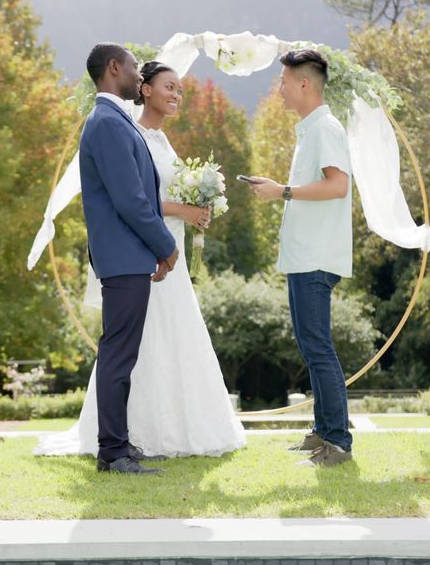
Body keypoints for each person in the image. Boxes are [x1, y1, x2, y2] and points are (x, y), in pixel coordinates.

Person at [35, 52, 245, 466]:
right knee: (119, 356)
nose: (137, 73)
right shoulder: (110, 123)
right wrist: (166, 248)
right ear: (115, 68)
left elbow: (137, 196)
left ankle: (119, 442)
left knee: (123, 354)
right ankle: (112, 451)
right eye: (133, 67)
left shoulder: (114, 122)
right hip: (126, 256)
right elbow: (132, 201)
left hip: (130, 256)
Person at [248, 48, 354, 467]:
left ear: (304, 84)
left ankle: (338, 442)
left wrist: (282, 190)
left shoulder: (326, 128)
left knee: (319, 348)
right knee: (312, 349)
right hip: (303, 257)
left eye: (284, 81)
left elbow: (338, 186)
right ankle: (324, 433)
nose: (279, 89)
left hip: (316, 257)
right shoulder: (310, 131)